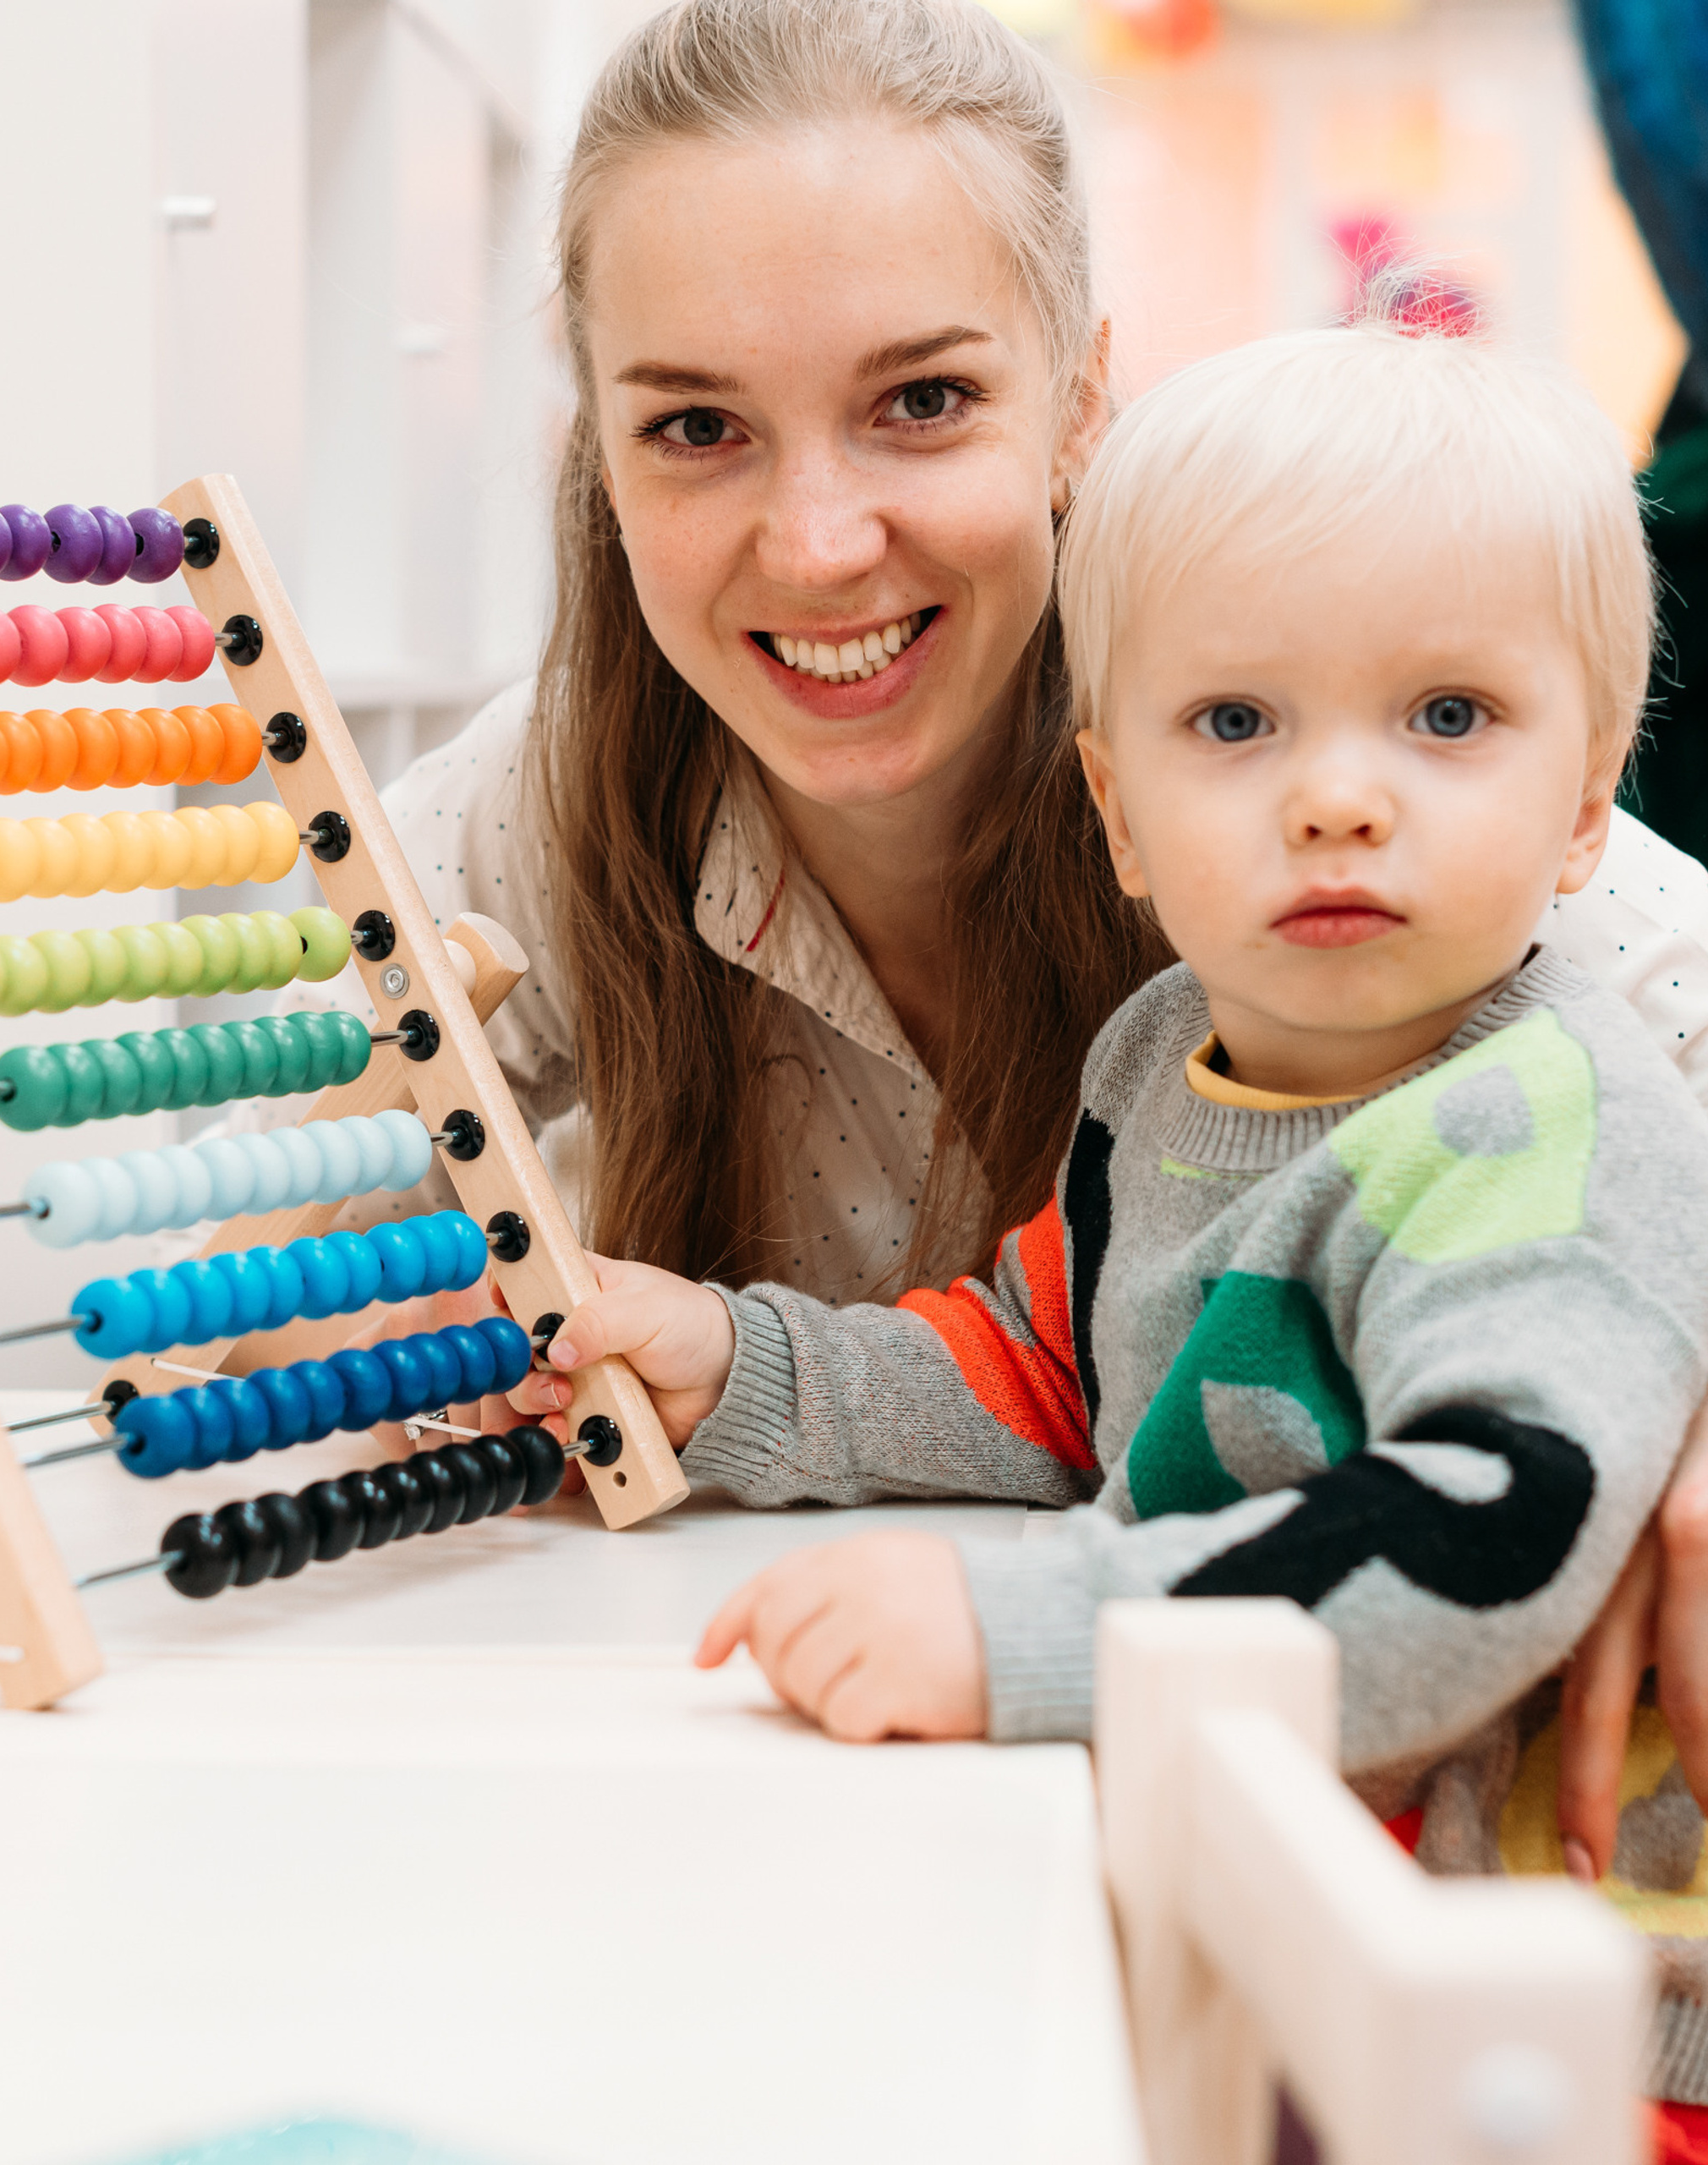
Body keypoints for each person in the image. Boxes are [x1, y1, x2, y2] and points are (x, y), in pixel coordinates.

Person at [248, 0, 1708, 1883]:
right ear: (592, 450)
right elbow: (1031, 1364)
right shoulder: (516, 825)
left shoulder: (1434, 909)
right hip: (853, 1835)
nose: (821, 538)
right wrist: (414, 1330)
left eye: (919, 401)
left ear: (1077, 405)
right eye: (696, 426)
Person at [508, 324, 1708, 2129]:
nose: (1334, 792)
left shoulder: (1540, 1132)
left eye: (1445, 716)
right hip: (1267, 1905)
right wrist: (737, 1364)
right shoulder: (1164, 1062)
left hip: (1542, 2015)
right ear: (1115, 806)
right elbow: (1038, 1360)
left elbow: (1468, 1543)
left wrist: (1022, 1630)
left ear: (1583, 804)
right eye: (1233, 721)